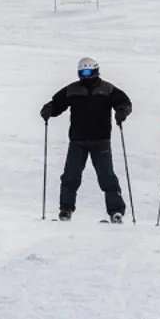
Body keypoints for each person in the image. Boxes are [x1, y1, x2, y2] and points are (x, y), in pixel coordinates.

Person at [39, 57, 131, 221]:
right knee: (70, 176)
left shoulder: (107, 89)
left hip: (101, 140)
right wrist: (49, 109)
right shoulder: (73, 89)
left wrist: (122, 111)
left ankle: (116, 211)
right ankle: (66, 209)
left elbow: (124, 102)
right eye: (82, 73)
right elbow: (57, 103)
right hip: (78, 141)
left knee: (107, 177)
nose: (85, 76)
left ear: (96, 71)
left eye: (88, 72)